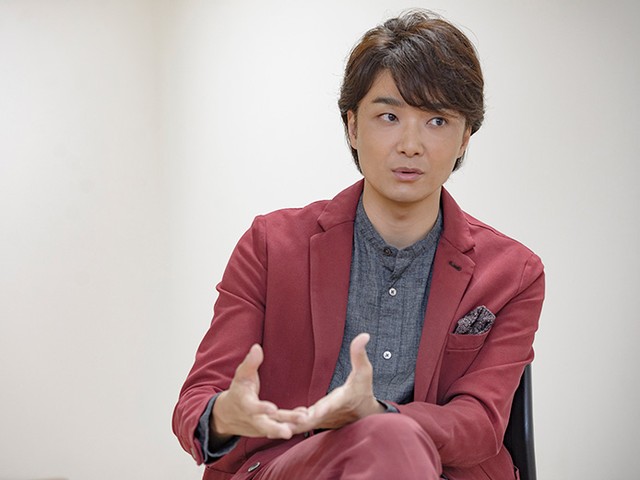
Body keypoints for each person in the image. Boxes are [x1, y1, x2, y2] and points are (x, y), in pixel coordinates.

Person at [173, 9, 545, 480]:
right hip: (298, 467)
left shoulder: (513, 273)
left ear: (465, 138)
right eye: (389, 116)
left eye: (437, 120)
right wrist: (225, 416)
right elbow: (197, 401)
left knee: (390, 437)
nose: (410, 144)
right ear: (352, 126)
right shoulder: (270, 246)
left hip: (438, 470)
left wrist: (380, 416)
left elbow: (480, 424)